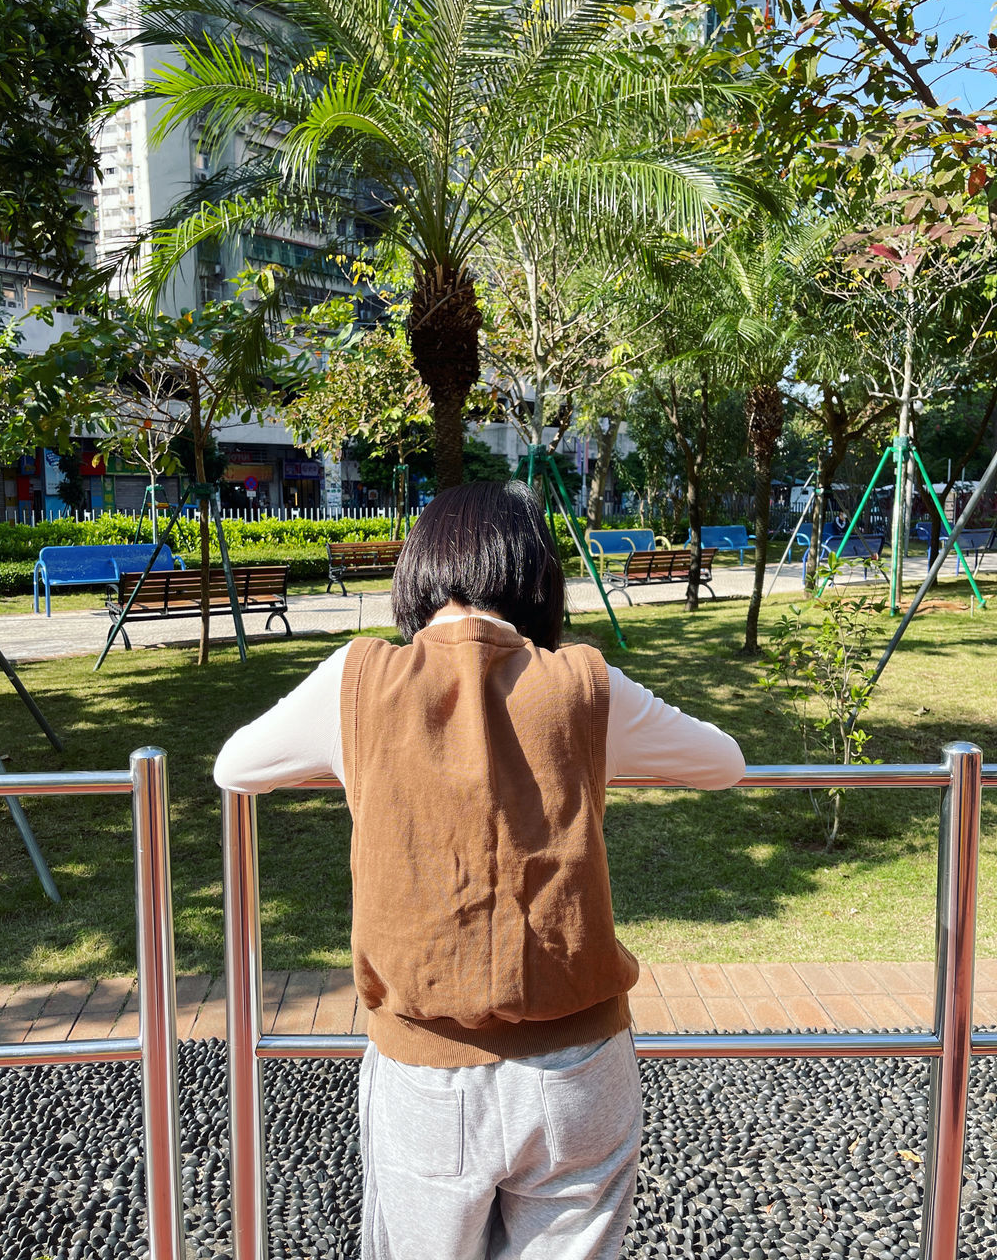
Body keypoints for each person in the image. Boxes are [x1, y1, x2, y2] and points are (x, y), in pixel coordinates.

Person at [214, 480, 745, 1260]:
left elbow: (237, 766)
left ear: (419, 568)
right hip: (580, 1068)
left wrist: (362, 764)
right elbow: (722, 763)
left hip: (425, 1070)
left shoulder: (357, 682)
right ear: (535, 574)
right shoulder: (583, 685)